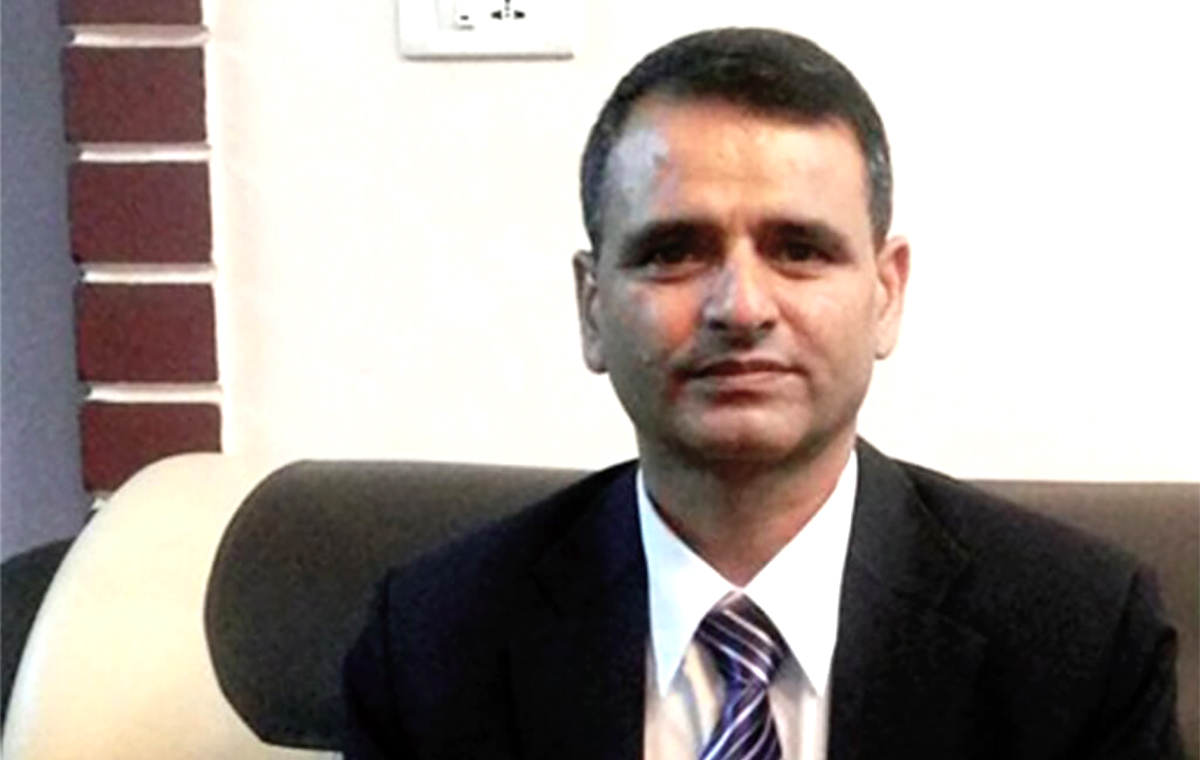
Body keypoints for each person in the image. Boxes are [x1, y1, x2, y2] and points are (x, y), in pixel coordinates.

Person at [342, 27, 1183, 759]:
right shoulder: (431, 643)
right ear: (592, 308)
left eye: (800, 250)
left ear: (886, 293)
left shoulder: (1078, 638)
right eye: (675, 251)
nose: (741, 308)